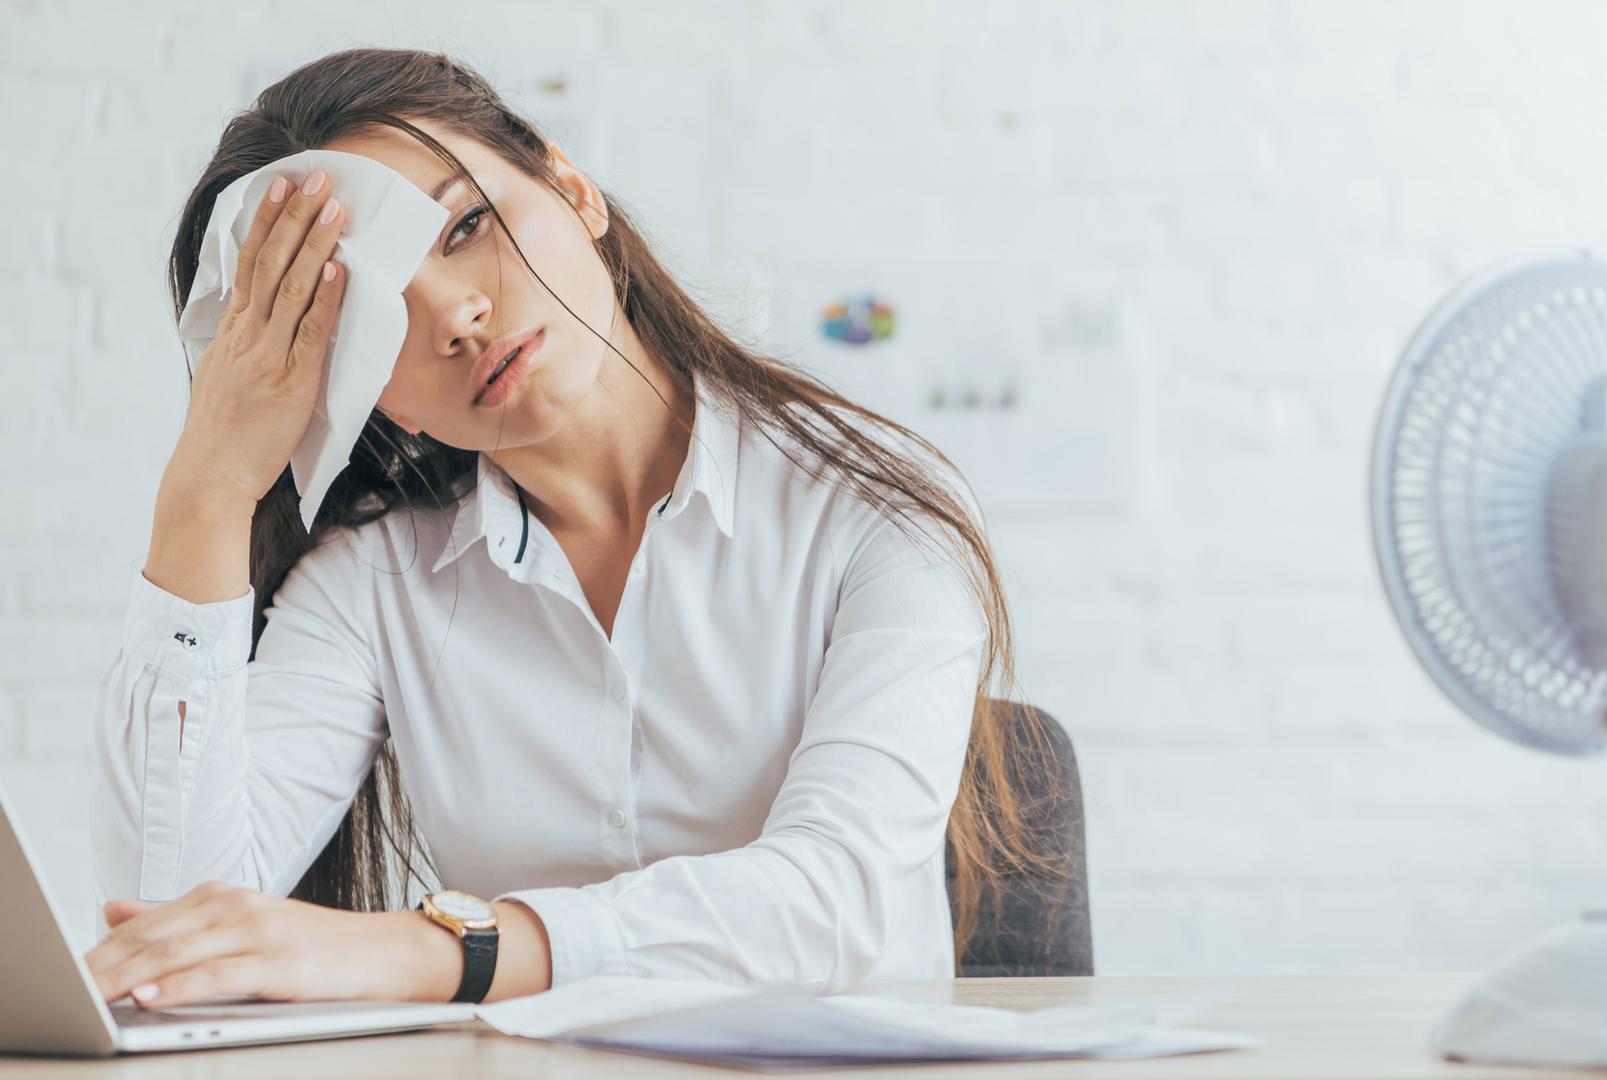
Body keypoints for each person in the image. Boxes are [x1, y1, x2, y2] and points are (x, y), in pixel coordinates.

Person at [84, 47, 1058, 1010]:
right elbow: (167, 934)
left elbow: (833, 902)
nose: (457, 315)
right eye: (375, 317)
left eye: (466, 224)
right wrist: (208, 487)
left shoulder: (872, 507)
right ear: (369, 396)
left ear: (574, 190)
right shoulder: (370, 586)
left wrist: (442, 953)